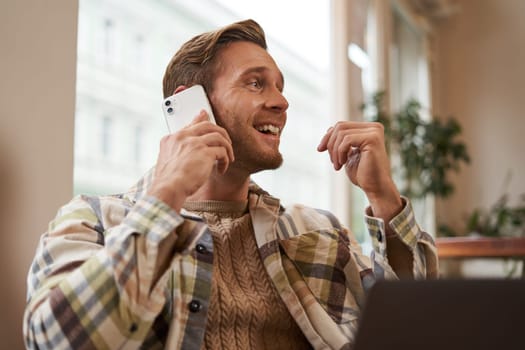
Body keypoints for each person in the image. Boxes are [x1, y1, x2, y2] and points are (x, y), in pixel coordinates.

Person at [23, 19, 438, 350]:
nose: (282, 101)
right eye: (256, 83)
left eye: (280, 86)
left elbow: (417, 331)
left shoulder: (318, 230)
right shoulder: (95, 222)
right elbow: (56, 340)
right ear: (191, 107)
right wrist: (166, 195)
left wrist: (383, 197)